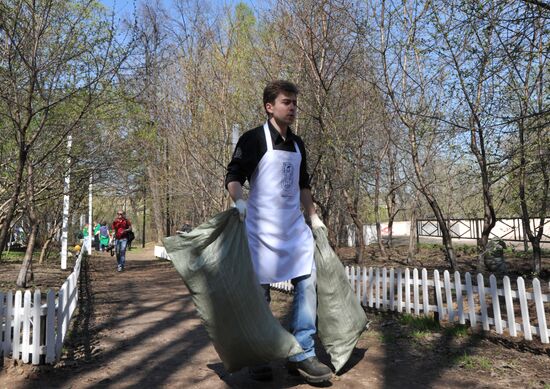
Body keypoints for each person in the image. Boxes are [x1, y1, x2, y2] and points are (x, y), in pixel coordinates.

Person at [225, 80, 331, 383]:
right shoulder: (253, 139)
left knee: (308, 284)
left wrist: (313, 217)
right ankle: (259, 352)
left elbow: (303, 185)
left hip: (294, 228)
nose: (293, 107)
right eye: (287, 102)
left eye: (295, 102)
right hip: (260, 229)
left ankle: (302, 353)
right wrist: (239, 201)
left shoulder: (298, 144)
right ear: (269, 107)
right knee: (261, 294)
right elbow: (234, 175)